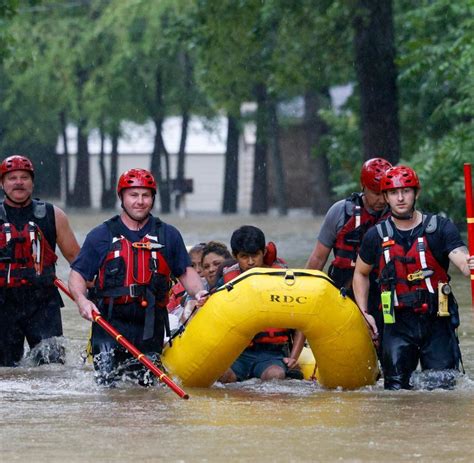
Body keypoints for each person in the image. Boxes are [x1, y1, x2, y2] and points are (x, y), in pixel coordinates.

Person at [68, 168, 208, 386]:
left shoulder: (168, 235)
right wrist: (81, 300)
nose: (140, 201)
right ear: (122, 198)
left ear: (153, 199)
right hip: (110, 324)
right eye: (134, 195)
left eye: (146, 195)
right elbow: (78, 275)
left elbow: (185, 272)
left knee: (145, 392)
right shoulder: (101, 235)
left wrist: (198, 292)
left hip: (150, 326)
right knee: (107, 387)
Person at [353, 165, 474, 390]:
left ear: (416, 193)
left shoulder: (440, 228)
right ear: (386, 197)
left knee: (441, 388)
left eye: (406, 191)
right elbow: (360, 273)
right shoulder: (375, 236)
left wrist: (469, 264)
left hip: (437, 321)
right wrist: (364, 312)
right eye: (393, 193)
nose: (400, 198)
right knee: (396, 390)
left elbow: (461, 260)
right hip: (396, 324)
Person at [0, 154, 80, 366]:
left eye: (24, 177)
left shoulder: (54, 215)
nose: (18, 182)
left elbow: (78, 261)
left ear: (32, 183)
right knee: (5, 372)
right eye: (12, 177)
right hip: (3, 304)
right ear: (2, 183)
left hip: (43, 304)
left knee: (51, 369)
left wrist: (95, 295)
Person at [219, 225, 305, 383]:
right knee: (221, 376)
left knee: (275, 376)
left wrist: (293, 358)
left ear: (264, 252)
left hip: (271, 354)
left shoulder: (284, 280)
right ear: (235, 256)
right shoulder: (227, 280)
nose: (251, 262)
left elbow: (302, 321)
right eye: (244, 257)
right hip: (237, 352)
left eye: (255, 255)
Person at [305, 157, 392, 294]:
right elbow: (318, 258)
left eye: (385, 193)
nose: (382, 200)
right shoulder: (340, 211)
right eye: (376, 193)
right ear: (363, 186)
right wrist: (304, 292)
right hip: (343, 291)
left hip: (381, 291)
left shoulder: (398, 216)